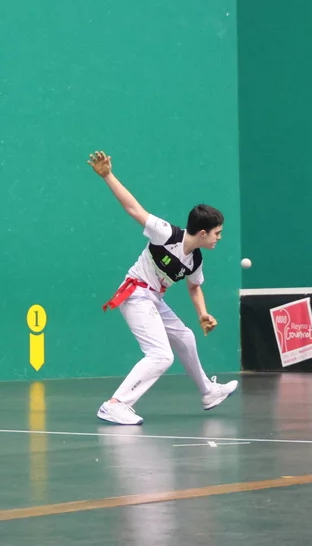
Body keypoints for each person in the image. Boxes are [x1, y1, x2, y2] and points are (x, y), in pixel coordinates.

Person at [87, 150, 239, 425]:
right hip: (135, 293)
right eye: (217, 233)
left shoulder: (195, 260)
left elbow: (194, 288)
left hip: (153, 298)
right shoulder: (167, 234)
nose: (219, 237)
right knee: (160, 355)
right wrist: (108, 175)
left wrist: (203, 314)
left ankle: (208, 392)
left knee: (186, 337)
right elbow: (134, 209)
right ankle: (115, 405)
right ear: (202, 233)